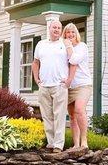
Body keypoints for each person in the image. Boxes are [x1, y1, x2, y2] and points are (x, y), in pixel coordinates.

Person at [32, 20, 69, 152]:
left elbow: (73, 61)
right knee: (47, 115)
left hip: (59, 86)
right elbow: (35, 63)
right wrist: (36, 79)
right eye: (54, 27)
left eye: (59, 28)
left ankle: (59, 145)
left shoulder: (65, 44)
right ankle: (51, 142)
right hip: (44, 86)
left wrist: (69, 80)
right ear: (49, 28)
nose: (57, 30)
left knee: (59, 116)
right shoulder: (41, 44)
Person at [62, 23, 92, 149]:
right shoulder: (61, 48)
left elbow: (73, 60)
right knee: (72, 116)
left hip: (83, 84)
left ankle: (84, 141)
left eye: (73, 32)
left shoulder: (82, 46)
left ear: (76, 34)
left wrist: (69, 47)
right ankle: (76, 144)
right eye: (68, 32)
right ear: (65, 34)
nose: (70, 34)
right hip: (68, 87)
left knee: (80, 110)